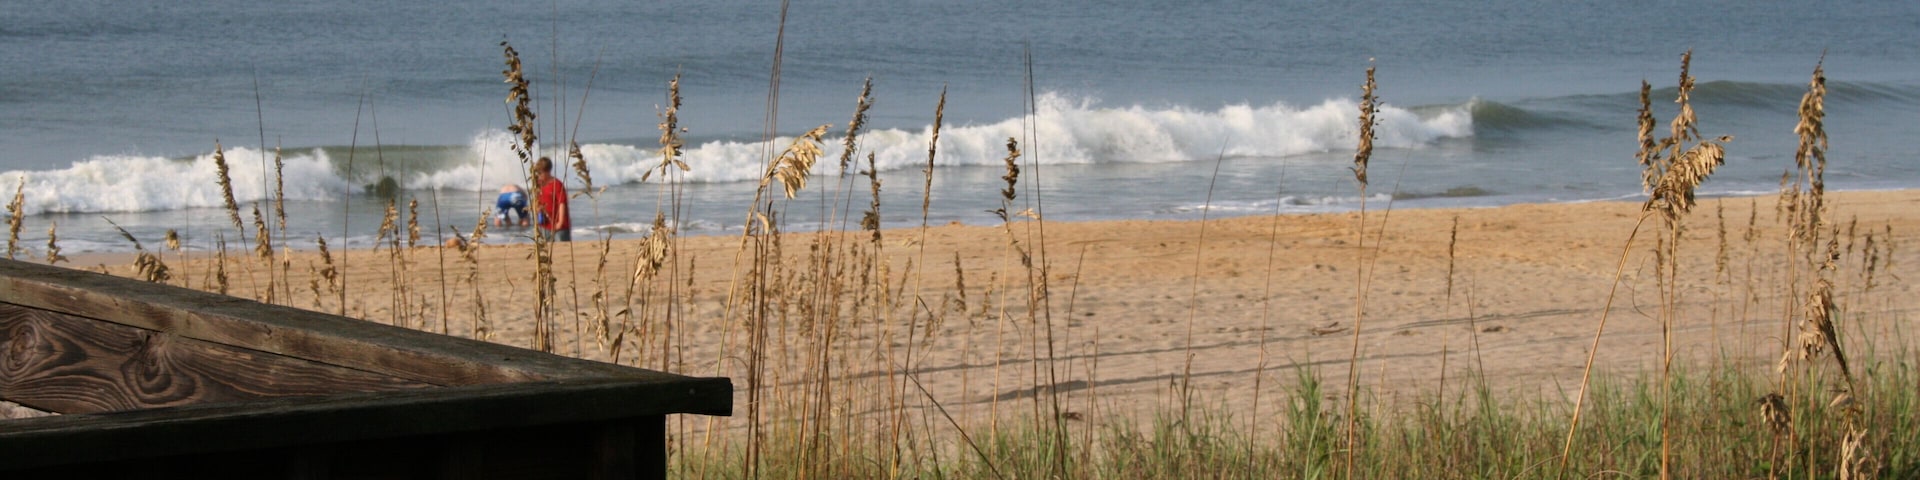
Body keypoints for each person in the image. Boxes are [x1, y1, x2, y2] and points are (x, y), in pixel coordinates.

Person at [533, 156, 571, 242]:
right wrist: (537, 209)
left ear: (548, 171)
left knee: (562, 249)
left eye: (541, 173)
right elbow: (536, 200)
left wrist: (560, 222)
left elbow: (562, 204)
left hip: (560, 226)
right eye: (538, 173)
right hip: (544, 224)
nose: (539, 176)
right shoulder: (538, 185)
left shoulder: (557, 185)